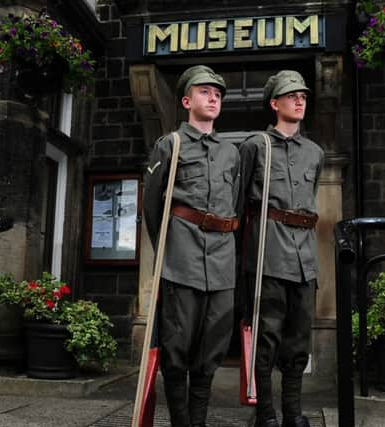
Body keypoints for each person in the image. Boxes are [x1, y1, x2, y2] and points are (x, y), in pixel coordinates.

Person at [143, 65, 240, 427]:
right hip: (181, 258)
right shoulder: (170, 144)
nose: (213, 97)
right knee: (177, 345)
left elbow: (237, 203)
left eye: (217, 93)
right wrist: (169, 251)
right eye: (204, 91)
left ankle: (197, 422)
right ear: (186, 100)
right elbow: (152, 206)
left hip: (222, 261)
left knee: (212, 347)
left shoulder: (231, 153)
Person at [238, 70, 324, 427]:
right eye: (291, 95)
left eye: (303, 95)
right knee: (266, 337)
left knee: (298, 339)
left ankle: (293, 412)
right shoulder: (256, 146)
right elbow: (240, 202)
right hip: (267, 255)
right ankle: (265, 413)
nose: (300, 100)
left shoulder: (315, 152)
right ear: (275, 103)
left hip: (305, 257)